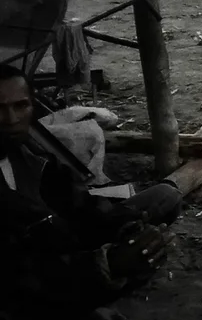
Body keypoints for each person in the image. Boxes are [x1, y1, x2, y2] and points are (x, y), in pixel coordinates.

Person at [0, 64, 180, 320]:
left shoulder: (28, 150)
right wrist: (107, 265)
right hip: (22, 282)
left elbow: (79, 203)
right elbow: (16, 272)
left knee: (166, 197)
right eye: (0, 108)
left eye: (20, 106)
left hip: (54, 244)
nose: (11, 119)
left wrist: (127, 226)